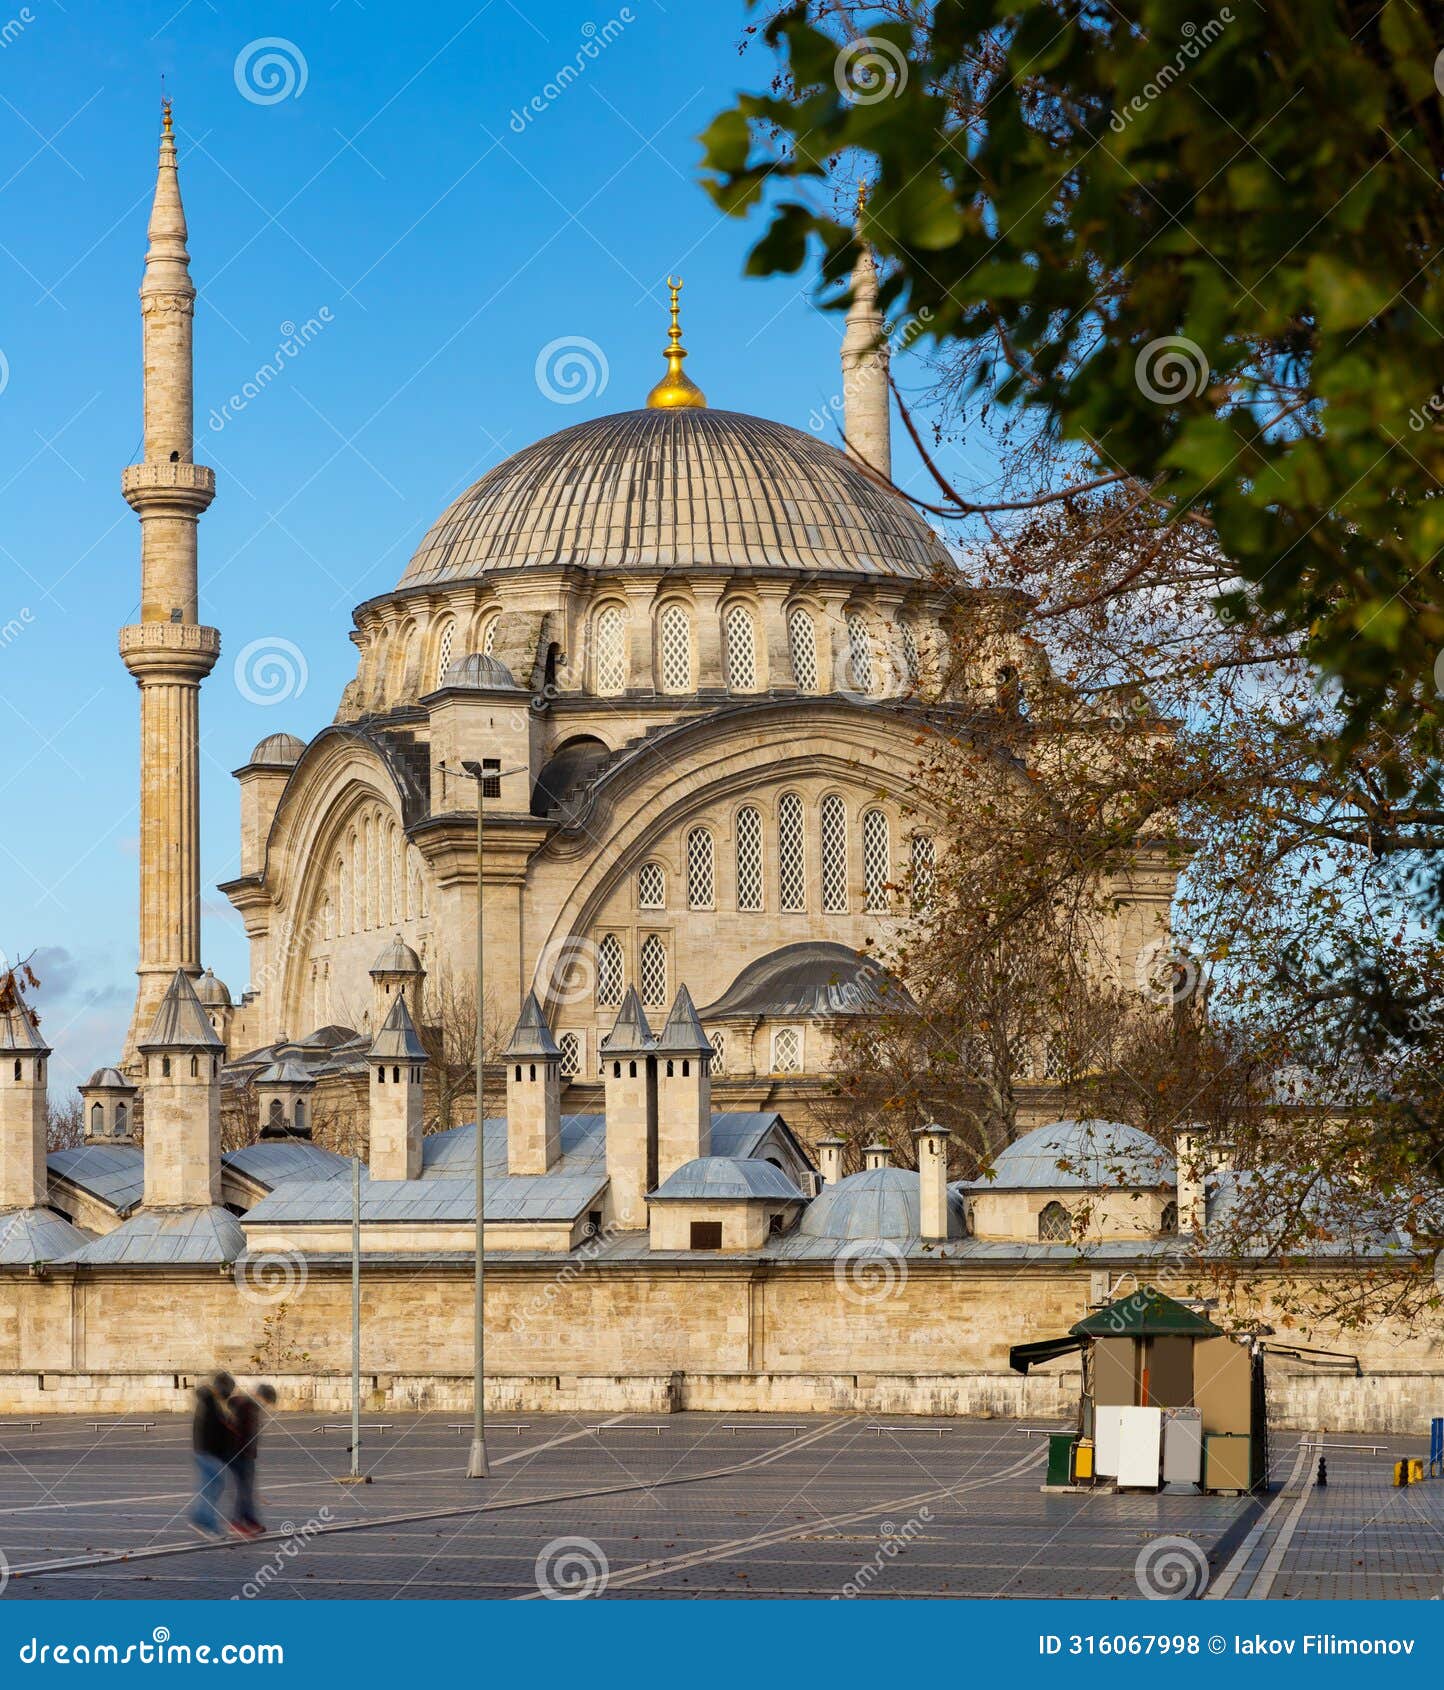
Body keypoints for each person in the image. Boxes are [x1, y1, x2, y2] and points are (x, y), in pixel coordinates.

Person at [226, 1382, 277, 1538]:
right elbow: (237, 1431)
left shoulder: (252, 1407)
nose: (266, 1406)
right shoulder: (246, 1406)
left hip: (246, 1455)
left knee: (246, 1490)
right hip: (239, 1455)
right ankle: (236, 1522)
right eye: (267, 1401)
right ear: (261, 1396)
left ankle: (250, 1520)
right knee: (244, 1491)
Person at [188, 1372, 235, 1539]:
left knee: (213, 1487)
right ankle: (205, 1523)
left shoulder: (210, 1401)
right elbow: (213, 1431)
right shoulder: (209, 1402)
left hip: (206, 1452)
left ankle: (203, 1520)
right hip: (208, 1452)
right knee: (210, 1489)